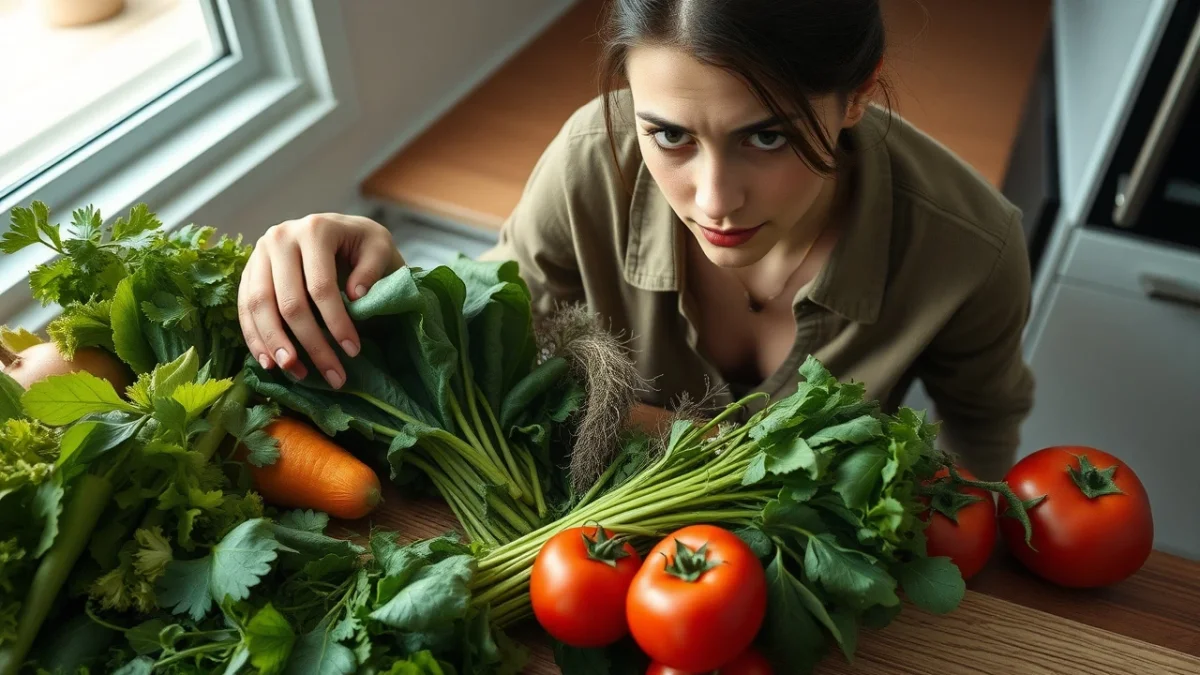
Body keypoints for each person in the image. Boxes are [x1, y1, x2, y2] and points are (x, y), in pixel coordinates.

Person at [236, 0, 1035, 481]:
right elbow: (494, 331)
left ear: (856, 96)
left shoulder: (971, 247)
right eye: (669, 135)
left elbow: (982, 448)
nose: (714, 200)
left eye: (767, 138)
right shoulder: (591, 160)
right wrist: (385, 274)